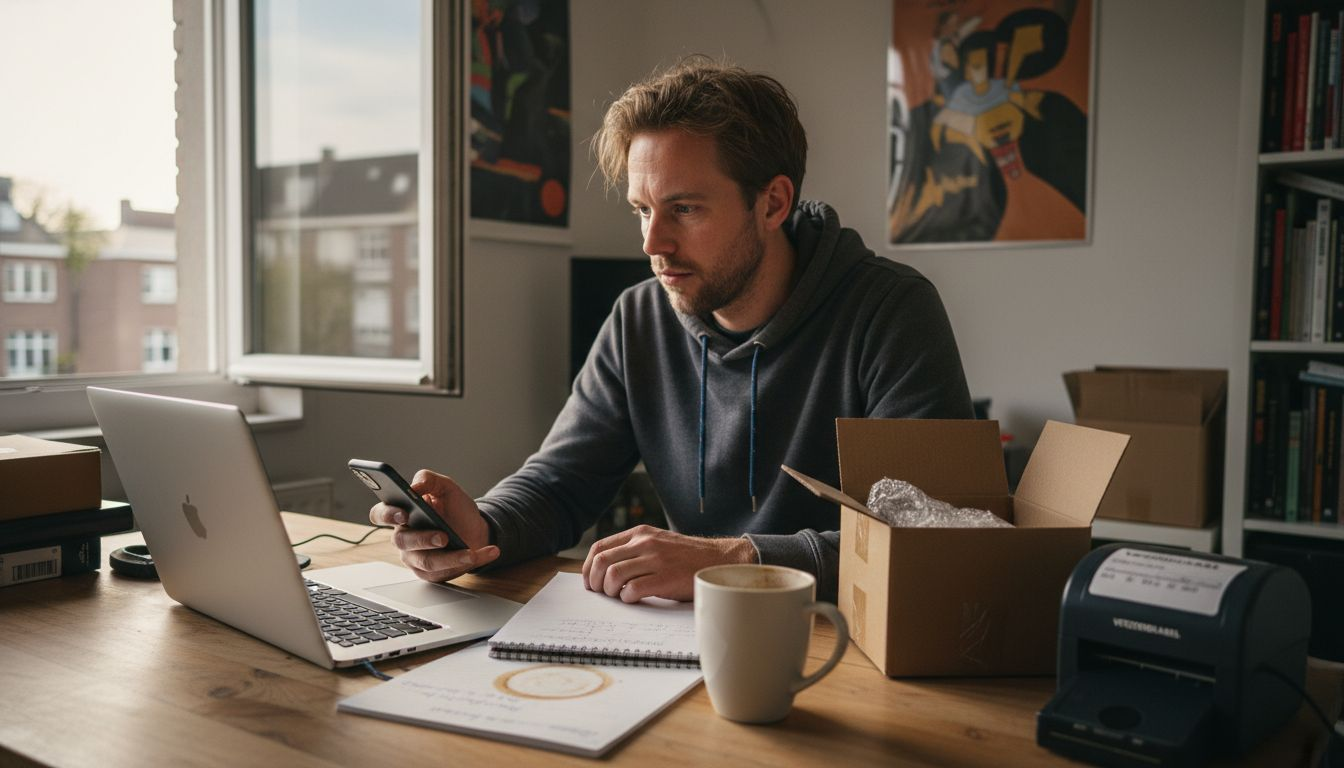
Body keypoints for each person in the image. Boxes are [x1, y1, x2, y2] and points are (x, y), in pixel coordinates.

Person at [370, 56, 973, 603]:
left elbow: (936, 536)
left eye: (685, 209)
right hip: (693, 640)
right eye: (642, 210)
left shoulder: (891, 311)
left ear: (772, 204)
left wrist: (735, 558)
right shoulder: (640, 317)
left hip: (849, 639)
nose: (653, 244)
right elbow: (560, 483)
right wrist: (481, 526)